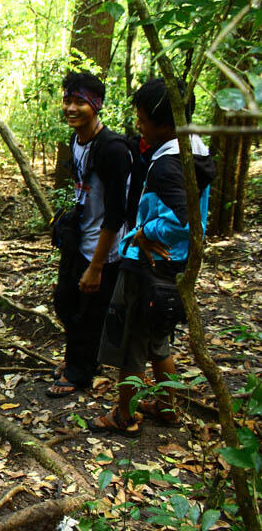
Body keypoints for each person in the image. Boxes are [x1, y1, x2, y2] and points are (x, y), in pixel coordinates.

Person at [89, 77, 216, 436]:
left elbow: (183, 220)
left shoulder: (167, 165)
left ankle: (124, 414)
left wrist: (145, 232)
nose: (139, 126)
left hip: (149, 265)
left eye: (143, 119)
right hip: (173, 265)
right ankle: (167, 404)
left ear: (165, 124)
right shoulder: (193, 150)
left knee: (133, 340)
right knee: (158, 338)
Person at [48, 72, 132, 397]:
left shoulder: (111, 149)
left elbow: (116, 212)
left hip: (103, 247)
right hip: (79, 238)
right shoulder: (77, 141)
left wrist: (97, 265)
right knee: (65, 302)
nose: (71, 108)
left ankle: (78, 372)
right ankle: (81, 360)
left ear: (96, 106)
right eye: (68, 100)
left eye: (79, 102)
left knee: (88, 311)